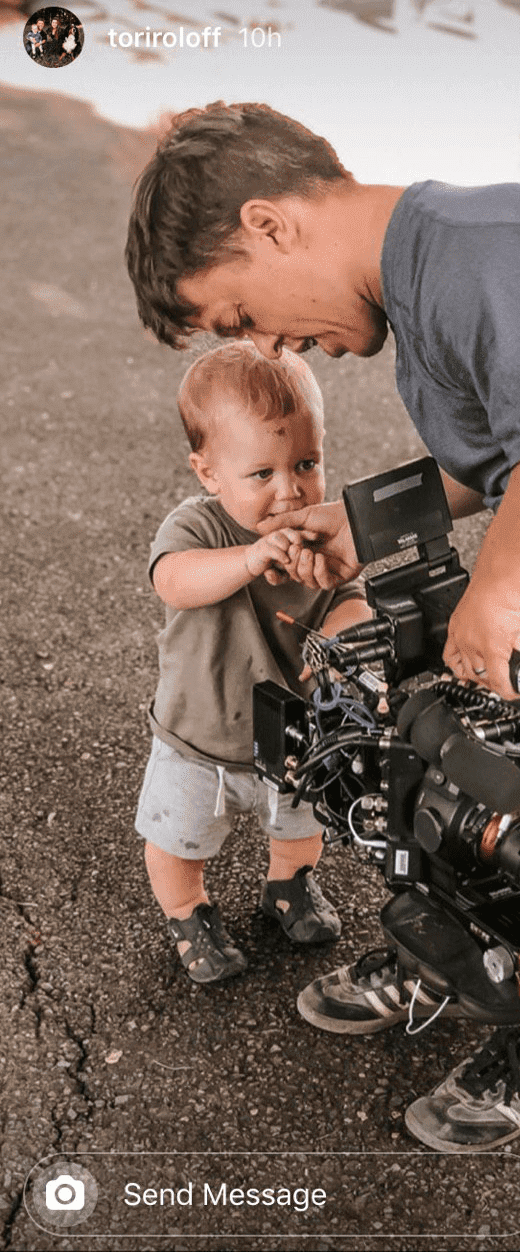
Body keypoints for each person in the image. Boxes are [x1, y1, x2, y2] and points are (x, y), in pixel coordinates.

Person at [125, 102, 520, 1146]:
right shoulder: (425, 281)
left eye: (240, 314)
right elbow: (496, 451)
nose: (267, 343)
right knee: (456, 780)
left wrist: (491, 594)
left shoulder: (478, 250)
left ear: (269, 226)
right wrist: (353, 529)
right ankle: (452, 953)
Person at [134, 339, 369, 982]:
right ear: (208, 473)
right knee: (177, 838)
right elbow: (173, 580)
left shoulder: (319, 530)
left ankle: (289, 885)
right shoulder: (200, 528)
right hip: (199, 733)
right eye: (262, 474)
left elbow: (351, 596)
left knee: (300, 821)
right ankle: (188, 912)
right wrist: (248, 559)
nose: (290, 491)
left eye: (306, 462)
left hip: (293, 734)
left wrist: (340, 644)